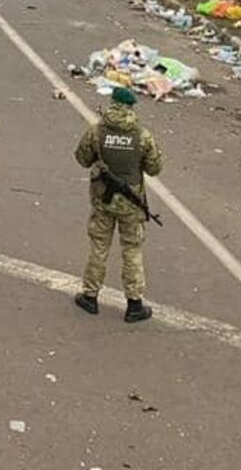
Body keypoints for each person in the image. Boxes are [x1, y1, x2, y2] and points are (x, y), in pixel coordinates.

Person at [73, 87, 164, 322]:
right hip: (131, 203)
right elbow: (154, 168)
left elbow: (82, 158)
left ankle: (90, 296)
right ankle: (134, 304)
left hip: (103, 200)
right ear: (131, 108)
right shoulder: (142, 135)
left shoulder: (97, 132)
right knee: (132, 250)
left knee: (99, 247)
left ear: (112, 104)